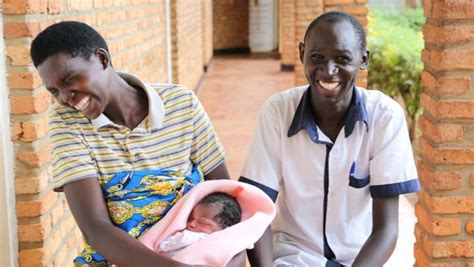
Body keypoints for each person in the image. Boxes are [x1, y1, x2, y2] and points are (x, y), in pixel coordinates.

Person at [30, 21, 244, 266]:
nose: (66, 98)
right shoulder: (67, 121)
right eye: (54, 91)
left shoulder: (181, 103)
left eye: (70, 80)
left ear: (102, 59)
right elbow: (95, 226)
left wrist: (233, 255)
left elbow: (223, 194)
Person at [240, 11, 420, 267]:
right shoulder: (278, 112)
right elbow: (255, 210)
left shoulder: (384, 117)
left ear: (363, 59)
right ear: (302, 53)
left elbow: (387, 230)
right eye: (317, 57)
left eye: (342, 59)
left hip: (359, 259)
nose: (328, 70)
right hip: (293, 256)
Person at [159, 192, 242, 256]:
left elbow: (163, 247)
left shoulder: (190, 237)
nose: (192, 224)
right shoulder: (232, 240)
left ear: (223, 229)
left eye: (202, 223)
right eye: (190, 218)